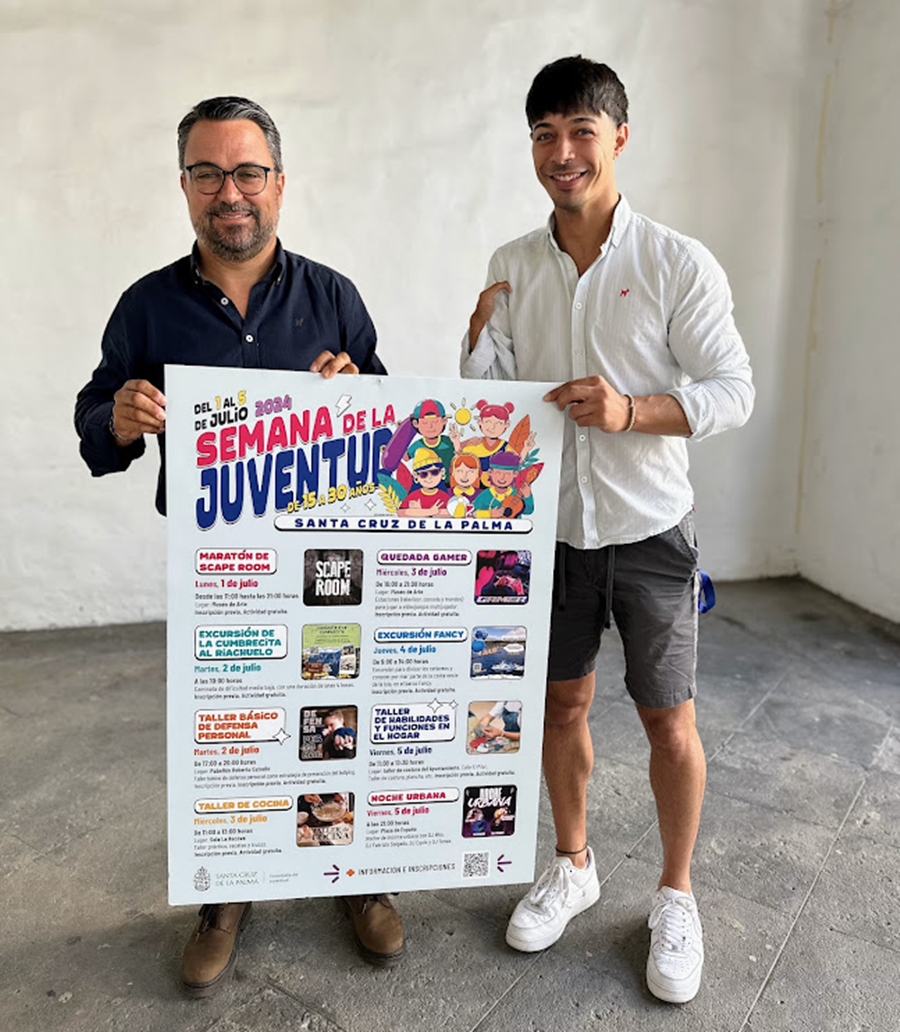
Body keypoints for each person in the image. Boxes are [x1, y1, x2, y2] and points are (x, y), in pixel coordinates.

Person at [74, 96, 404, 995]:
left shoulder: (334, 297)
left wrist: (360, 394)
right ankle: (226, 896)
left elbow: (391, 431)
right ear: (184, 185)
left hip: (330, 565)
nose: (231, 192)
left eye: (248, 172)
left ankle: (352, 876)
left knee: (336, 719)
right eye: (209, 173)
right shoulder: (146, 307)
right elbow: (94, 425)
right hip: (220, 572)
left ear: (279, 184)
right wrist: (119, 418)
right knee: (231, 736)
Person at [461, 56, 754, 1004]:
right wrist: (475, 341)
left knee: (670, 720)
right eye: (544, 134)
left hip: (652, 528)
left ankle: (676, 893)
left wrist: (631, 411)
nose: (563, 153)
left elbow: (733, 391)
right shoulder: (510, 264)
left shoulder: (674, 261)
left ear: (619, 137)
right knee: (560, 707)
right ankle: (574, 865)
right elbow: (488, 411)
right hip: (550, 532)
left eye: (581, 131)